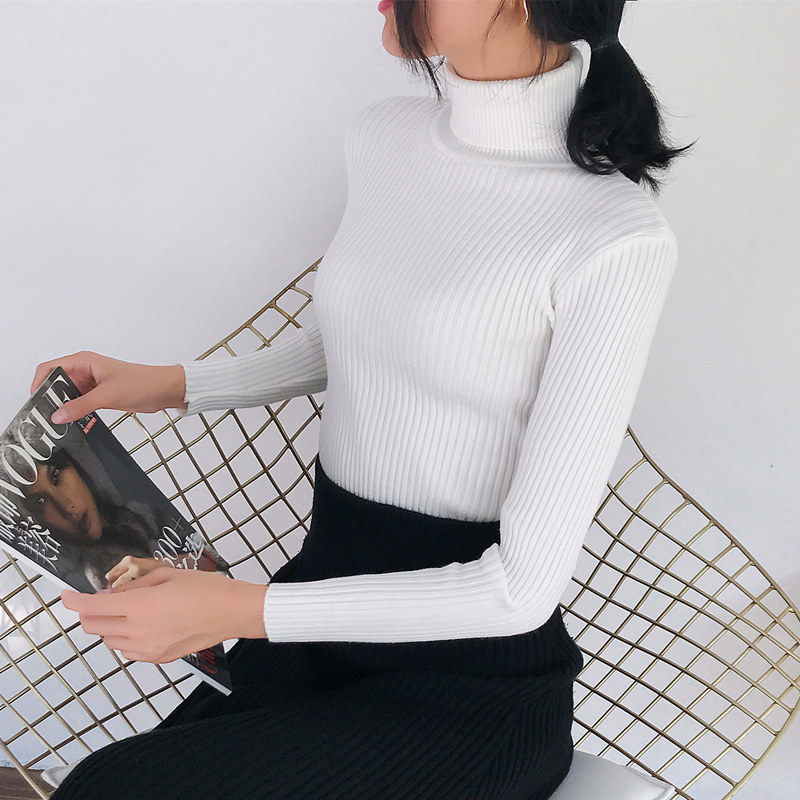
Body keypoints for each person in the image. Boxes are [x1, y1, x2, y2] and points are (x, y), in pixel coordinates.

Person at [31, 1, 694, 798]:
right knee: (105, 785)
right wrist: (172, 384)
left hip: (469, 692)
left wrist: (245, 612)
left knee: (109, 791)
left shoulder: (615, 237)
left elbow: (519, 592)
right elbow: (361, 336)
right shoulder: (385, 138)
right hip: (320, 618)